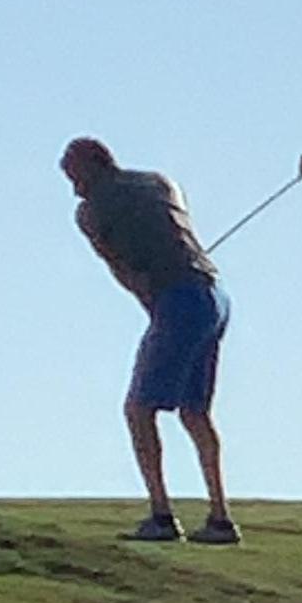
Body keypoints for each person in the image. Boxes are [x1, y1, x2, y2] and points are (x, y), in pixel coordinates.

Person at [62, 136, 242, 545]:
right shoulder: (160, 182)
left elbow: (123, 270)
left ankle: (162, 516)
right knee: (194, 412)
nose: (74, 188)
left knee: (139, 409)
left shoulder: (91, 211)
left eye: (74, 177)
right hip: (214, 295)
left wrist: (155, 302)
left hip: (178, 300)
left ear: (93, 166)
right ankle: (220, 518)